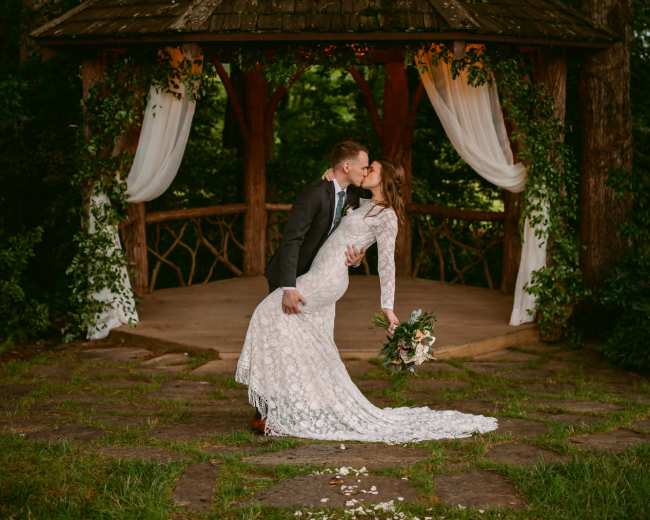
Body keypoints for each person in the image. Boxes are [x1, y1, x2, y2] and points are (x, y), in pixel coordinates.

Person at [235, 159, 498, 442]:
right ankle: (290, 405)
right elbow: (341, 220)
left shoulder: (387, 217)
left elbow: (387, 265)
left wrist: (388, 307)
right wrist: (330, 175)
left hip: (327, 279)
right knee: (313, 340)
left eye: (372, 168)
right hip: (320, 271)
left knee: (268, 312)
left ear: (384, 179)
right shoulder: (359, 201)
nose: (366, 171)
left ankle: (275, 406)